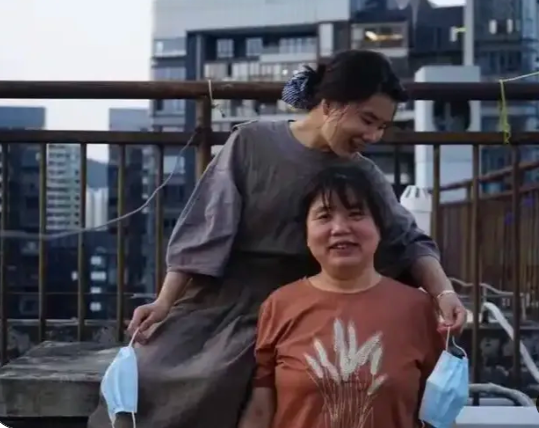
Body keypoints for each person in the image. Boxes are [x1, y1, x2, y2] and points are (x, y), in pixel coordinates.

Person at [88, 49, 466, 428]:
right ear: (330, 104)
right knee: (151, 378)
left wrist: (444, 293)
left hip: (305, 308)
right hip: (223, 301)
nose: (373, 136)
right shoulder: (252, 142)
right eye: (367, 120)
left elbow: (408, 242)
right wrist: (164, 302)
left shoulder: (362, 174)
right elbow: (203, 229)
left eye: (382, 126)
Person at [239, 165, 445, 428]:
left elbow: (439, 415)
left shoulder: (417, 309)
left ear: (380, 228)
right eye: (324, 216)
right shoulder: (279, 306)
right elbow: (260, 410)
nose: (339, 228)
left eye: (356, 214)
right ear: (306, 233)